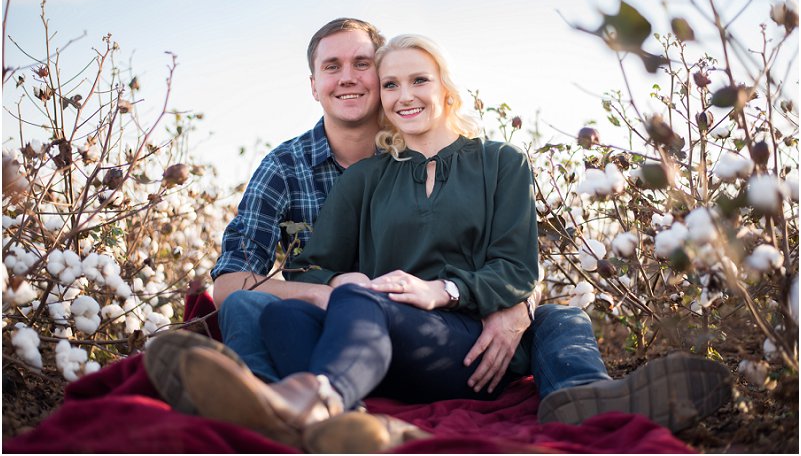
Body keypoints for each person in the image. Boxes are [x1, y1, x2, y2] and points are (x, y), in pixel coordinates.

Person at [174, 34, 732, 450]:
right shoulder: (367, 176)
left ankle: (314, 398)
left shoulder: (500, 163)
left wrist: (443, 290)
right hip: (379, 339)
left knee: (558, 317)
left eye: (418, 80)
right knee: (280, 317)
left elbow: (516, 267)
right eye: (390, 84)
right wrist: (343, 279)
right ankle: (353, 422)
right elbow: (312, 268)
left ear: (445, 86)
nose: (403, 94)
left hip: (464, 345)